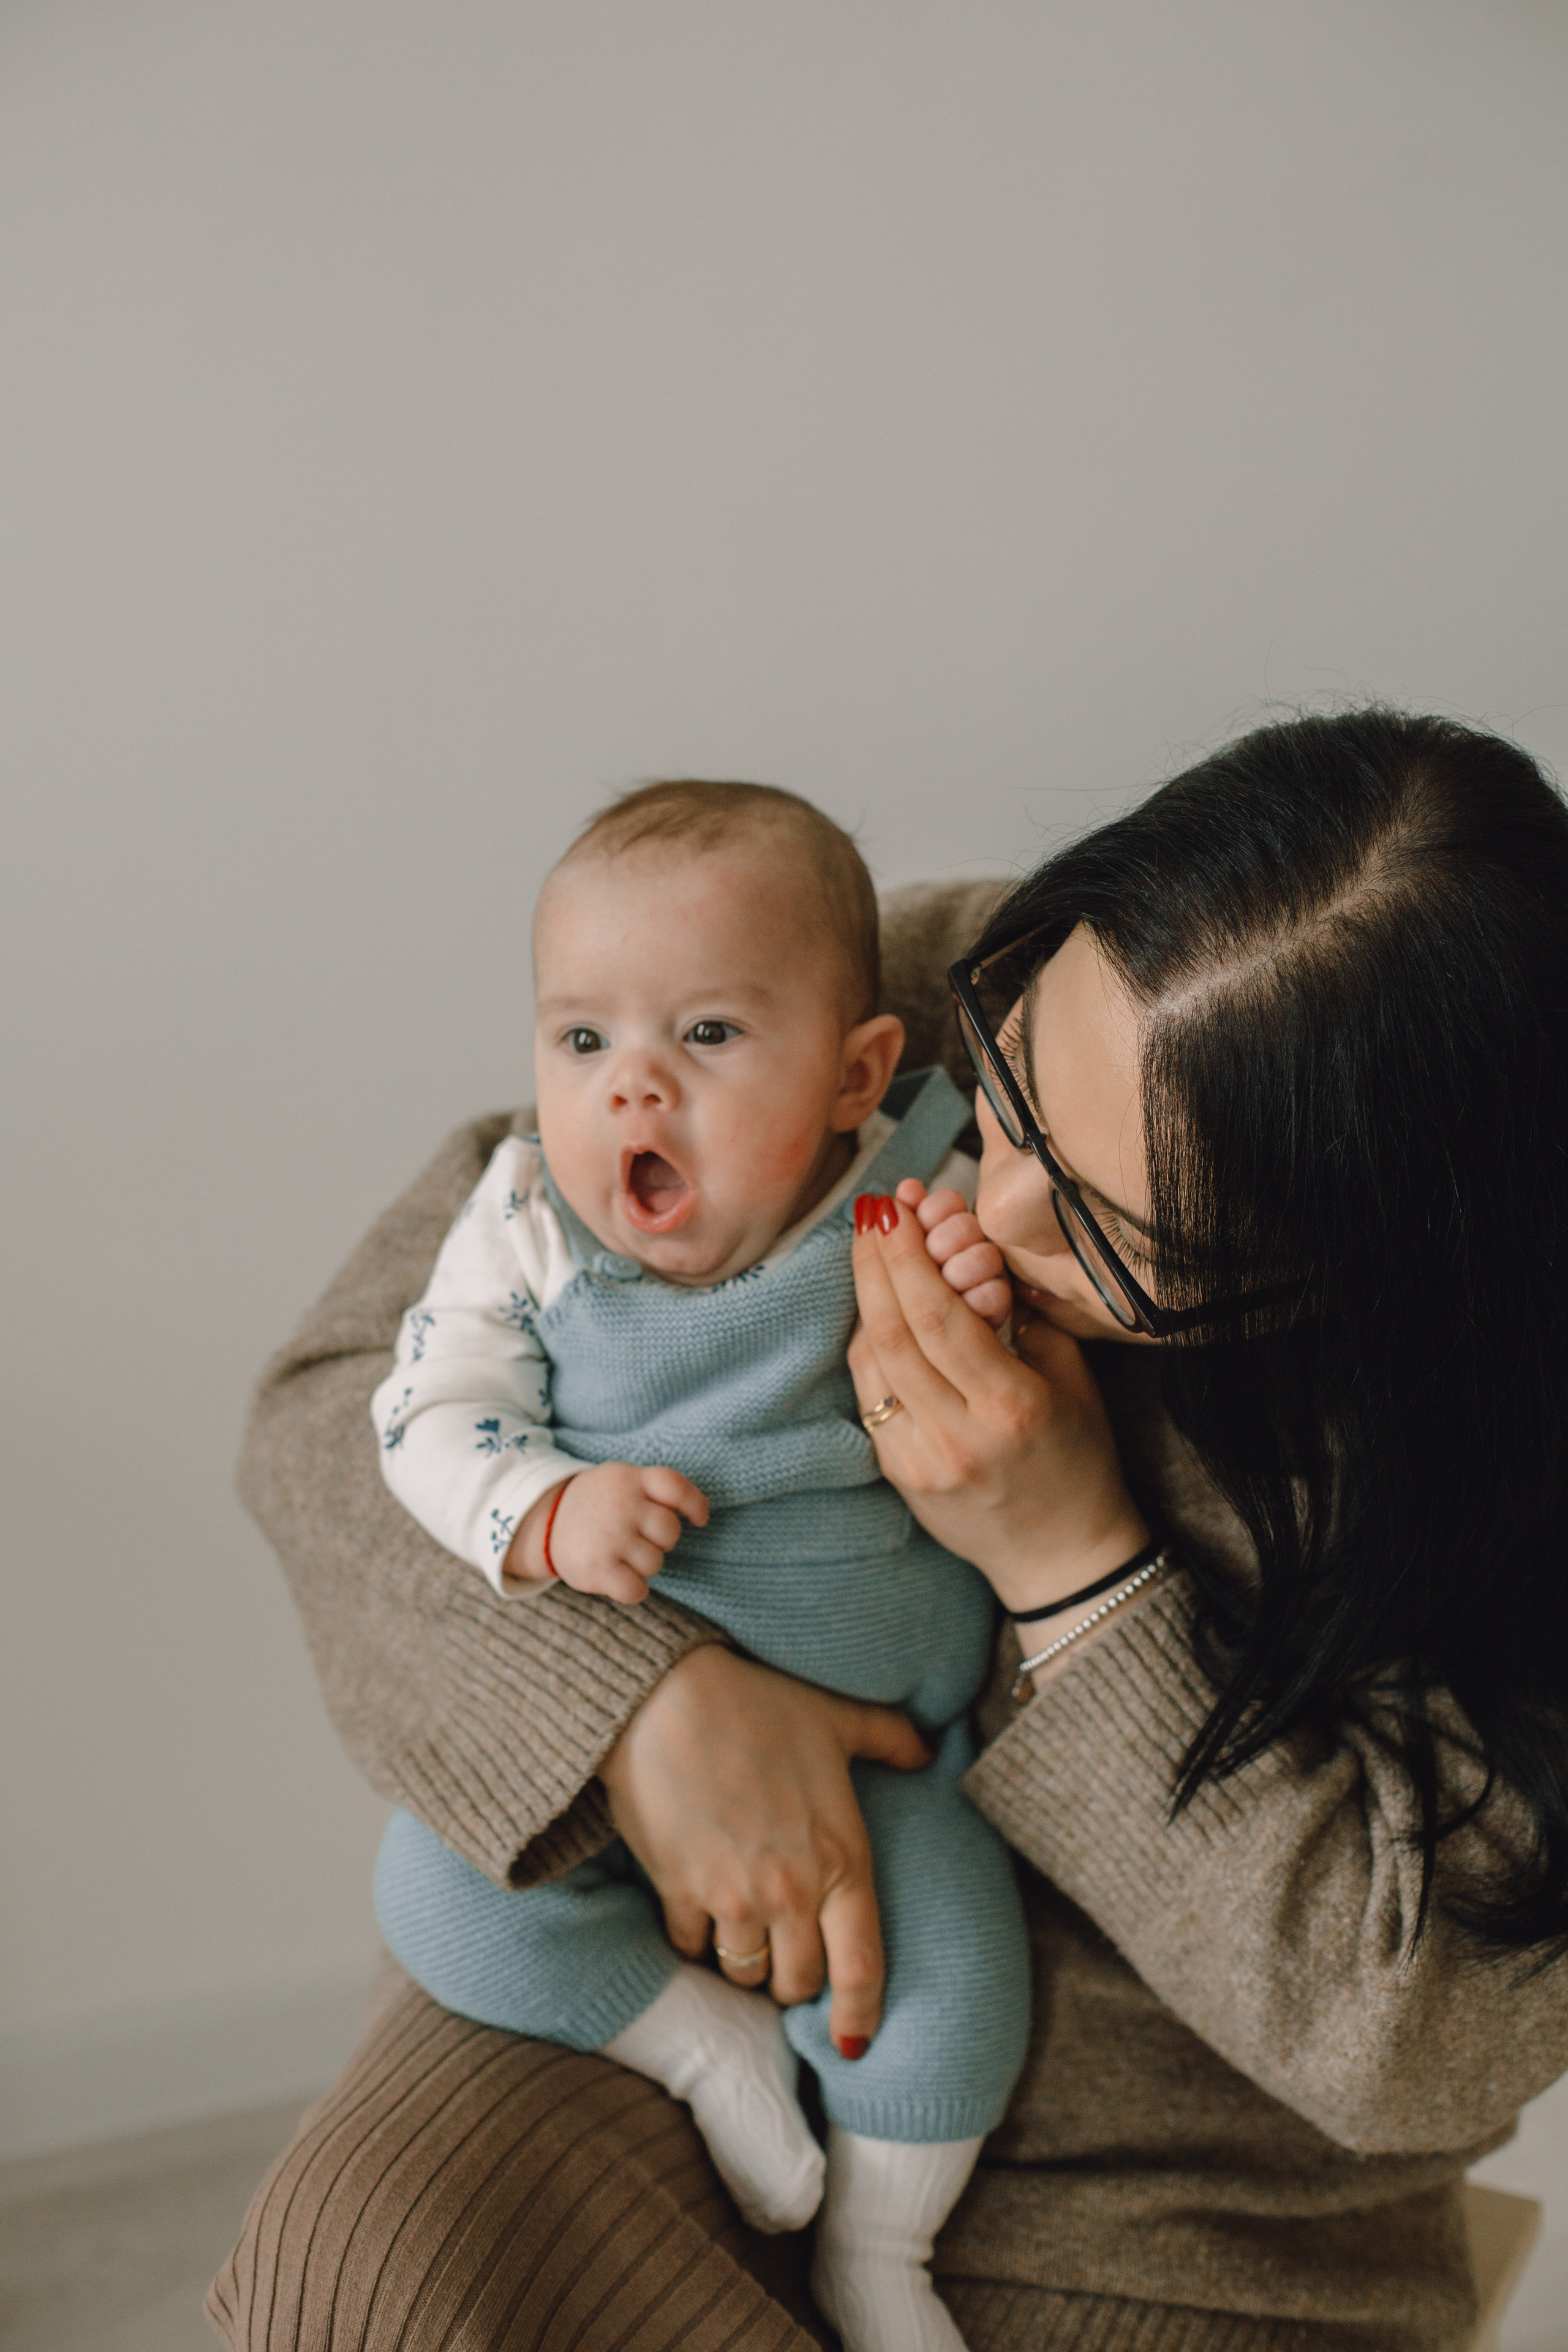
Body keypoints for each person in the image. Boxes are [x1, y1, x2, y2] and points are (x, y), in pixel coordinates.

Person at [210, 709, 1568, 2352]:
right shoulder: (867, 987)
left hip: (1174, 2201)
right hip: (652, 1960)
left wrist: (1071, 1569)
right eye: (1009, 1090)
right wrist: (634, 1710)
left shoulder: (1495, 1433)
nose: (986, 1204)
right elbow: (333, 1404)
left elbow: (1426, 2039)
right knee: (360, 2278)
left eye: (1104, 1228)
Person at [365, 778, 1033, 2352]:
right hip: (609, 1754)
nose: (632, 1089)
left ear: (853, 1072)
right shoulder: (524, 1221)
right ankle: (695, 2047)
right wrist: (540, 1507)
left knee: (950, 2001)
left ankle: (881, 2252)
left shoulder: (908, 1186)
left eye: (709, 1036)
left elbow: (1013, 1332)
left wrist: (973, 1283)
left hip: (885, 1761)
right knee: (437, 1901)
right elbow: (423, 1412)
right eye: (581, 1039)